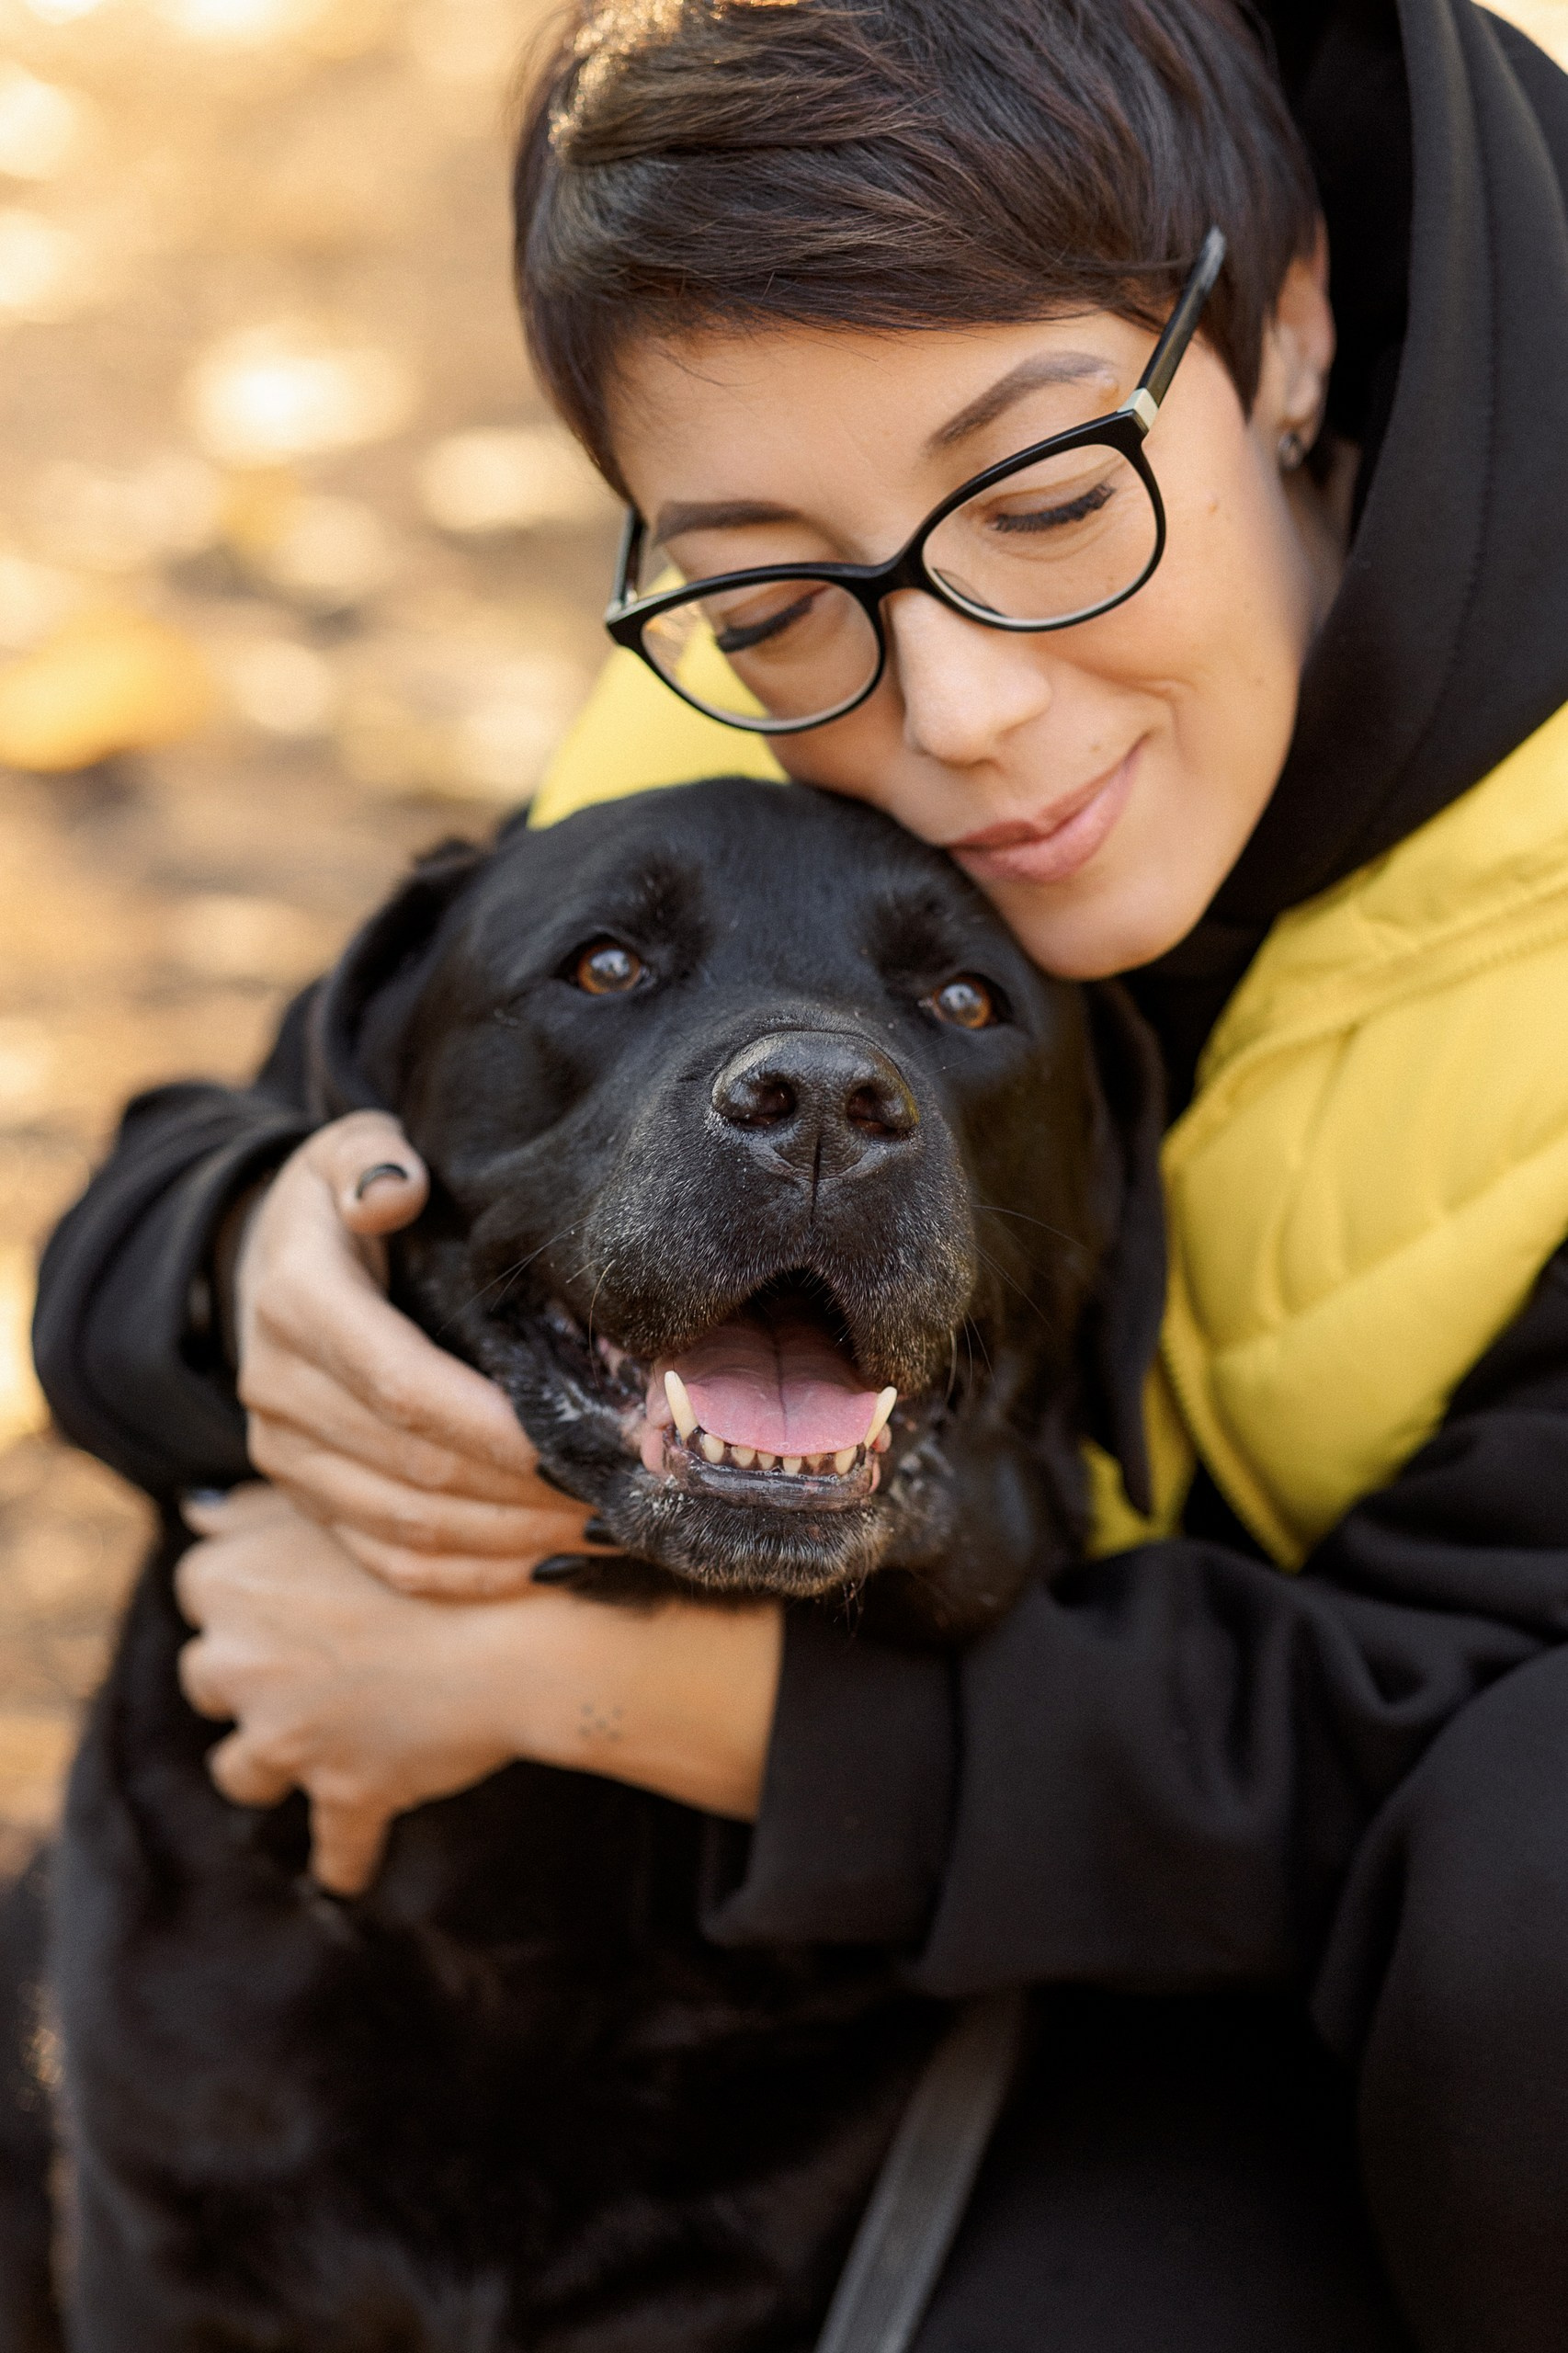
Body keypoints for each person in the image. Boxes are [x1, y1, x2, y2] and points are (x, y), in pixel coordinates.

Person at [32, 0, 1568, 2343]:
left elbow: (1449, 1775)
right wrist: (242, 1268)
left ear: (1285, 330)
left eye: (1050, 503)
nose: (950, 714)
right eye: (767, 592)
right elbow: (340, 1086)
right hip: (1042, 1866)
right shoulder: (751, 666)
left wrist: (583, 1680)